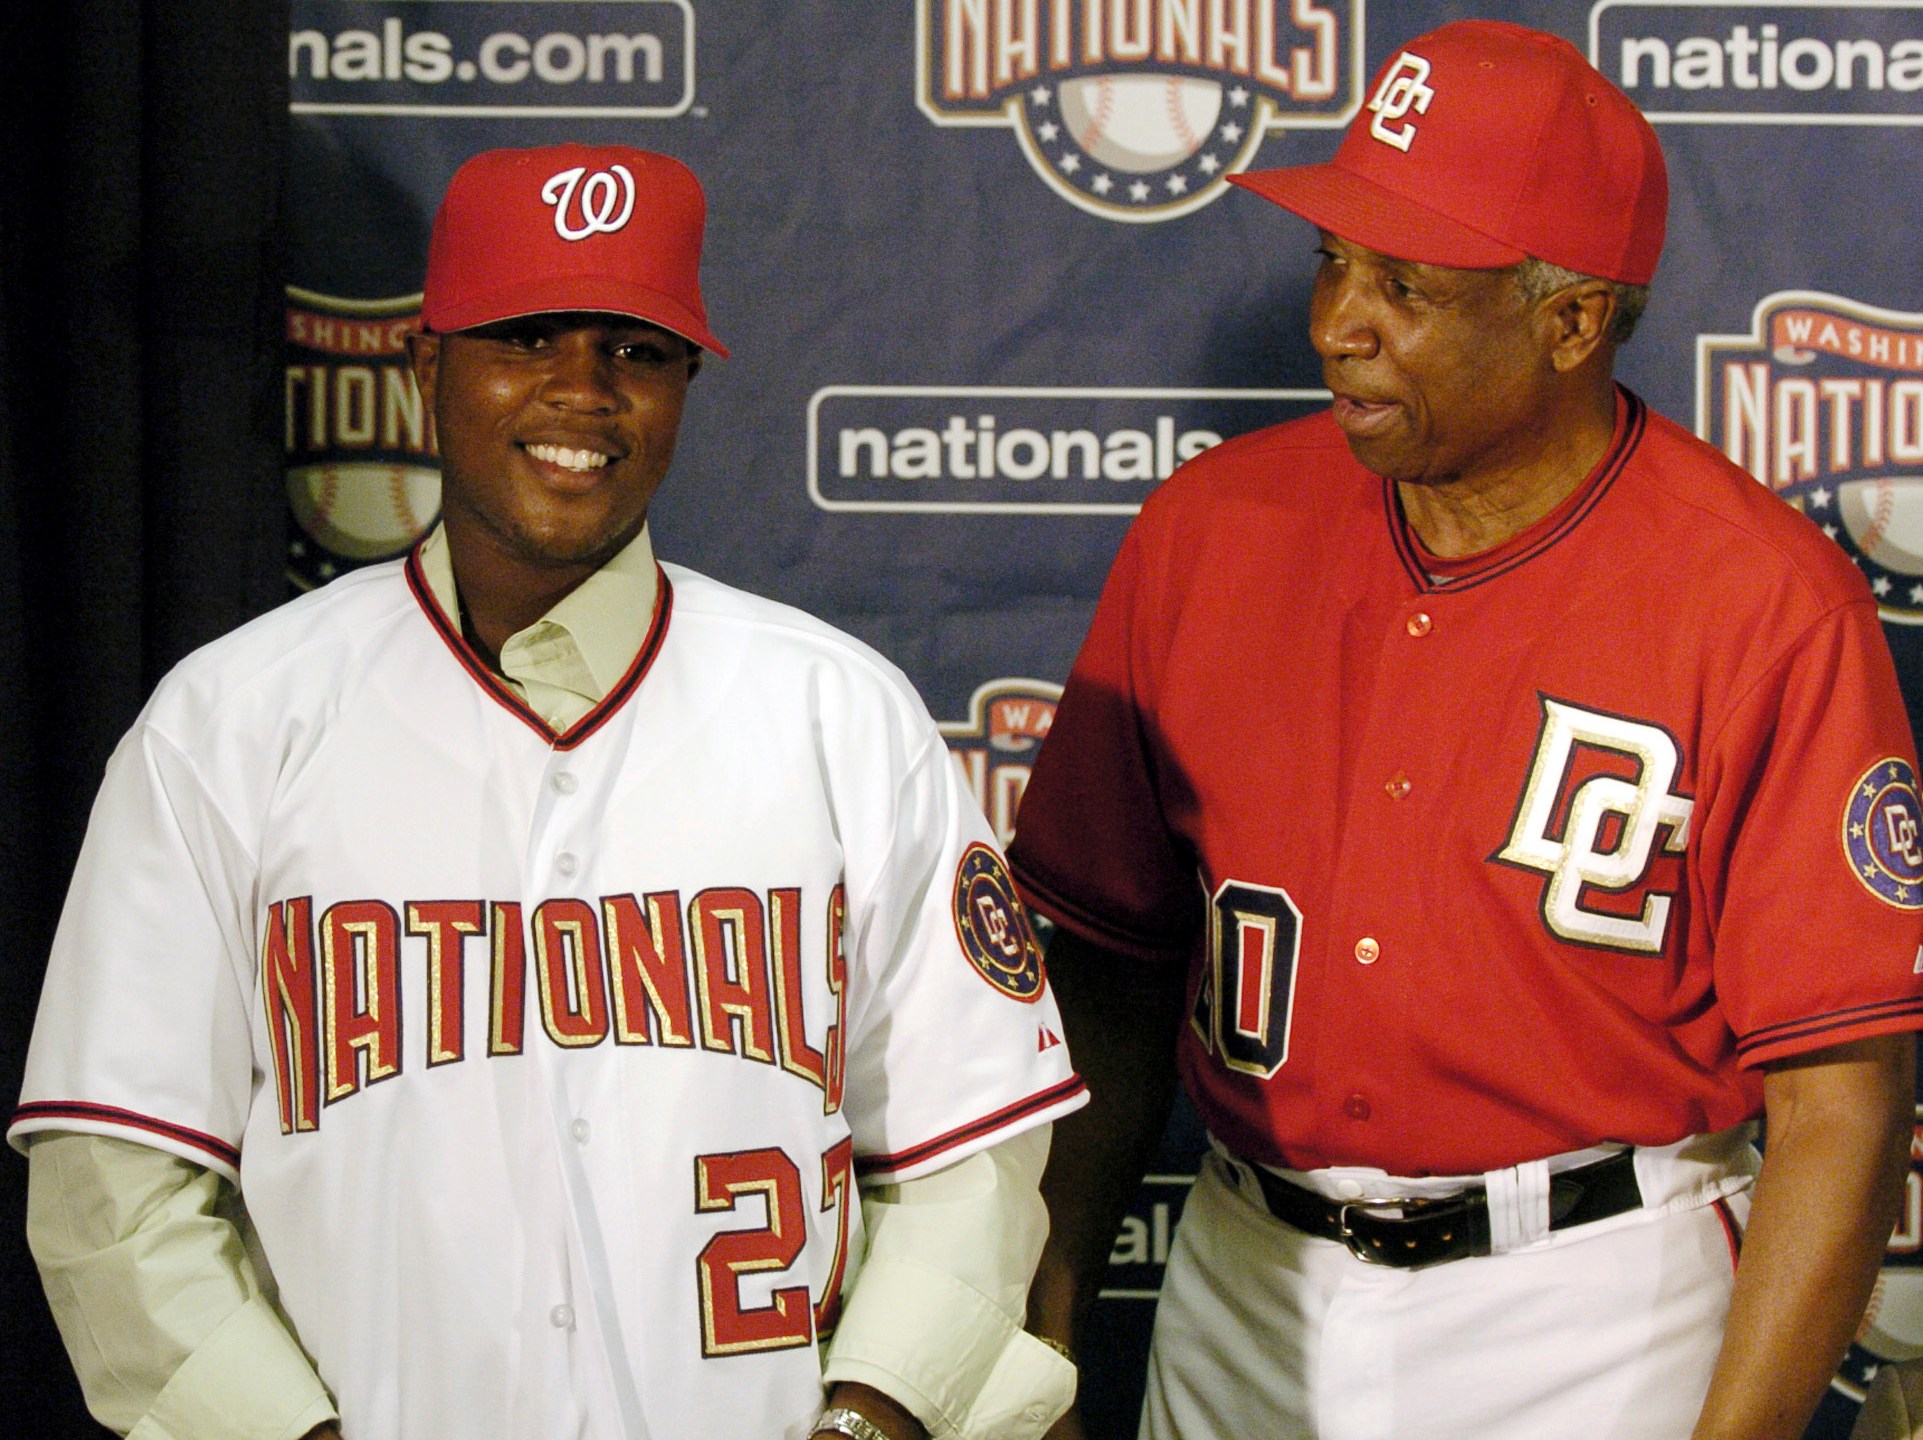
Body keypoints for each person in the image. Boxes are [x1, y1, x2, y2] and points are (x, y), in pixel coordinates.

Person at [11, 144, 1086, 1440]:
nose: (583, 393)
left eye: (635, 350)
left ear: (685, 384)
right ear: (425, 367)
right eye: (526, 336)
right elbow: (112, 1188)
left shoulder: (839, 718)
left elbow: (973, 1159)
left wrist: (872, 1420)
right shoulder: (229, 726)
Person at [1007, 20, 1923, 1440]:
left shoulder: (1763, 602)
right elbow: (1109, 974)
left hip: (1595, 1306)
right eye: (1331, 262)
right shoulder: (1210, 531)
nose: (1334, 323)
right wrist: (1045, 1318)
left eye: (1403, 284)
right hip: (1251, 1277)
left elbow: (1839, 1104)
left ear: (1569, 321)